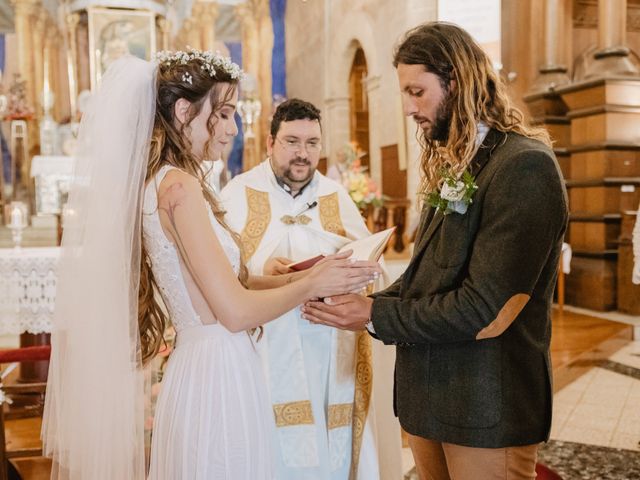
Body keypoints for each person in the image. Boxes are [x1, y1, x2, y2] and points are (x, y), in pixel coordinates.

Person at [41, 51, 380, 480]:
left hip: (203, 365)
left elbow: (208, 284)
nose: (233, 129)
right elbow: (234, 312)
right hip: (218, 374)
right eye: (223, 113)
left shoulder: (163, 181)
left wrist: (297, 275)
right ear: (185, 111)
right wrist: (312, 284)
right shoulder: (180, 187)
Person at [302, 22, 569, 480]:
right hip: (429, 401)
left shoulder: (523, 167)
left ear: (458, 81)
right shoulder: (456, 164)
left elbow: (486, 310)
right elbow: (428, 275)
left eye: (417, 92)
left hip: (487, 410)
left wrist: (371, 314)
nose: (409, 108)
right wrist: (352, 298)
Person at [221, 98, 381, 480]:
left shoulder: (335, 195)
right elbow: (221, 271)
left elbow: (370, 266)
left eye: (312, 143)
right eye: (292, 141)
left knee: (330, 441)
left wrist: (356, 271)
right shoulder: (238, 193)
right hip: (266, 345)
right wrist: (263, 267)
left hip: (329, 346)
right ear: (271, 141)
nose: (303, 153)